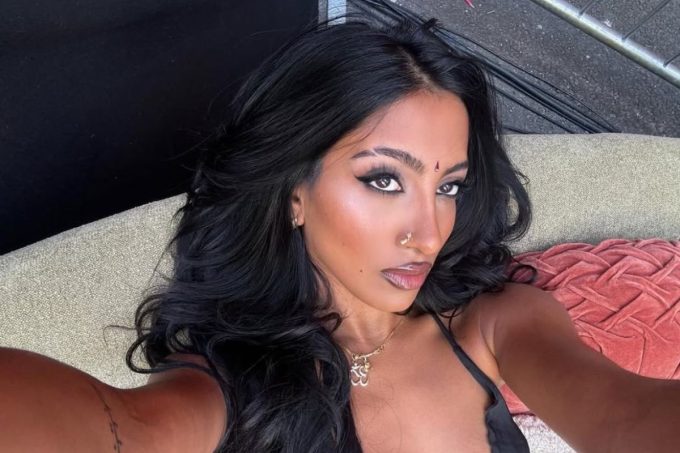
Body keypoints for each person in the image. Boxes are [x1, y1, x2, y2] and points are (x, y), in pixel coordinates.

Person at [2, 5, 679, 453]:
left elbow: (626, 414)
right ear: (293, 191)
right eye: (384, 179)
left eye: (449, 186)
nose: (428, 232)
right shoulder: (230, 385)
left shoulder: (497, 323)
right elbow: (127, 433)